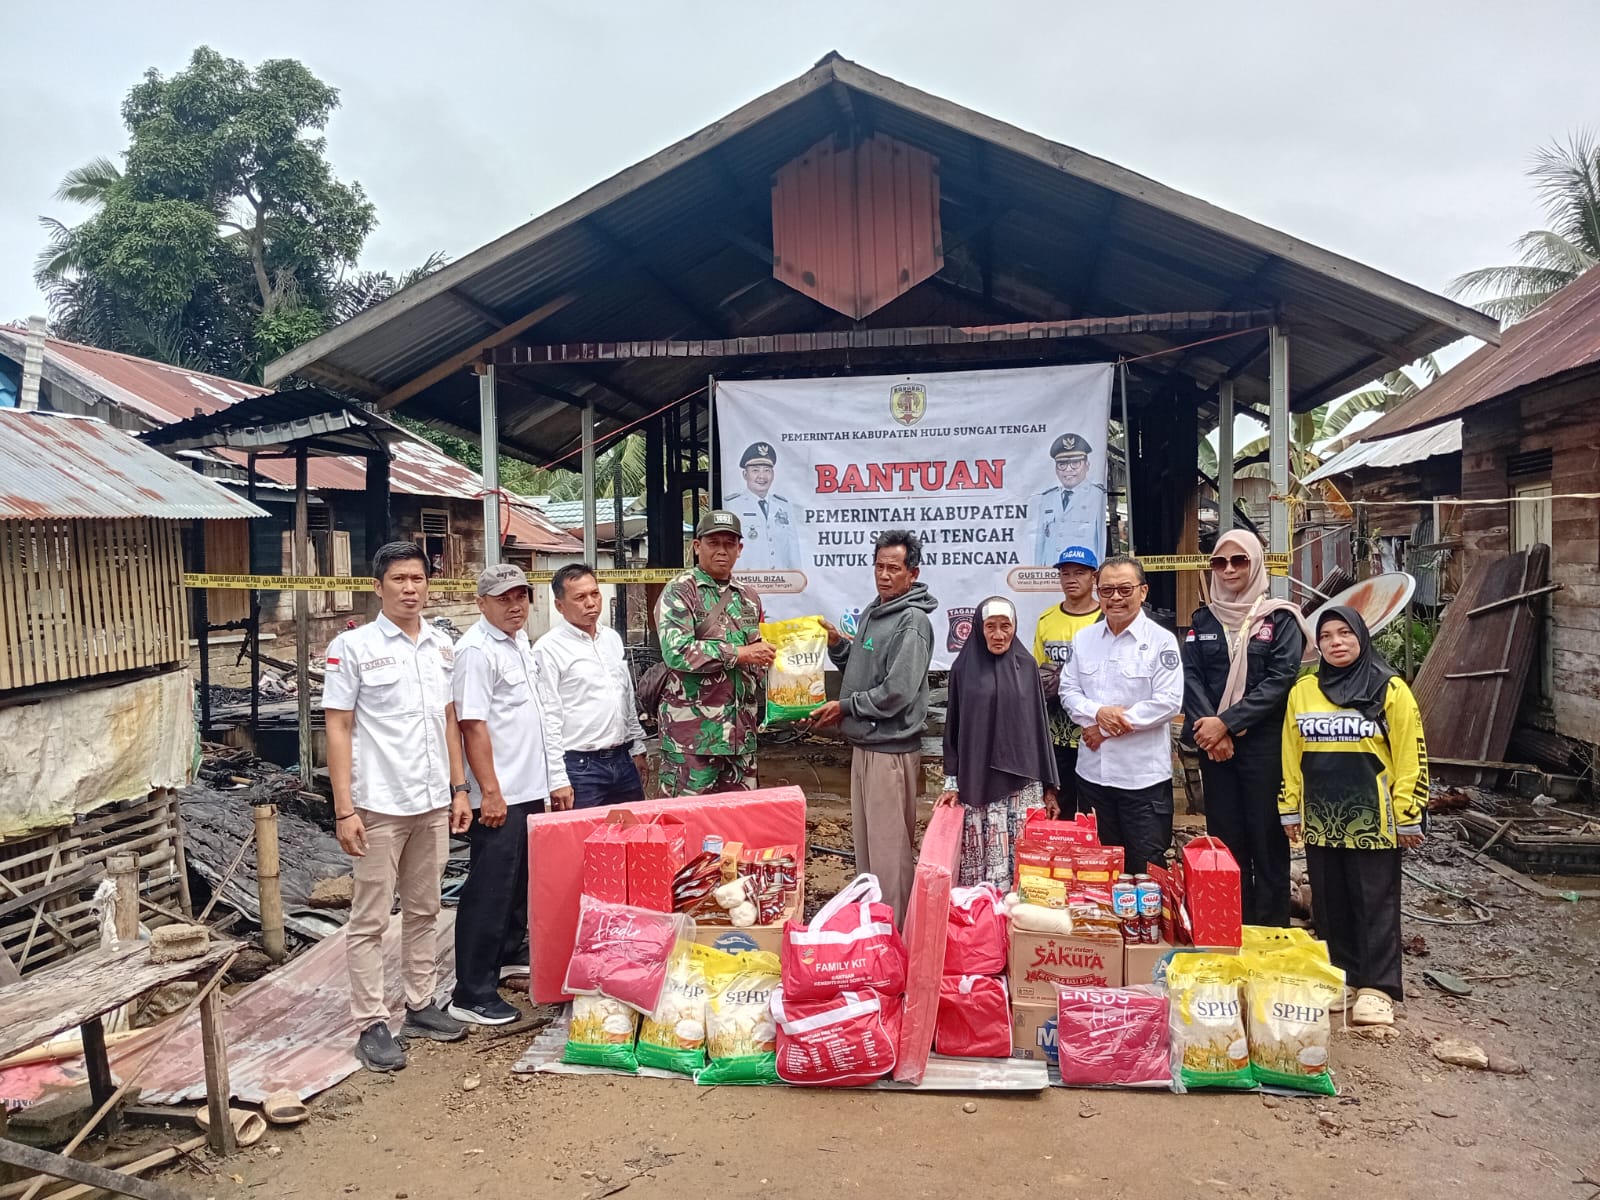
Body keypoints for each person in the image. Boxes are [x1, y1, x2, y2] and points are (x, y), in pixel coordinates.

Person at [324, 542, 471, 1072]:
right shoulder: (353, 647)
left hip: (433, 803)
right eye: (399, 579)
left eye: (417, 578)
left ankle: (420, 1003)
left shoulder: (440, 645)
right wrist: (344, 809)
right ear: (378, 586)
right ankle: (370, 1022)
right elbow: (337, 727)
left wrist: (459, 789)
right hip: (378, 805)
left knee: (425, 909)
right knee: (368, 919)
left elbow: (449, 722)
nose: (410, 588)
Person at [1281, 606, 1427, 1028]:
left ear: (1361, 637)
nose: (1336, 642)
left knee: (1374, 903)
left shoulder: (1391, 689)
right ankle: (1342, 977)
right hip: (1322, 818)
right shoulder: (1303, 692)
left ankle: (1377, 988)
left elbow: (1411, 753)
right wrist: (1289, 807)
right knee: (1330, 901)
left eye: (1344, 633)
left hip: (1374, 819)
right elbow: (1291, 756)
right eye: (1326, 636)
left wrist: (1408, 813)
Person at [446, 564, 567, 1026]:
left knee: (518, 884)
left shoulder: (519, 643)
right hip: (499, 794)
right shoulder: (476, 651)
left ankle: (508, 956)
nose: (515, 605)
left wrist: (551, 780)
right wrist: (489, 793)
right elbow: (471, 725)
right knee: (489, 890)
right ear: (481, 603)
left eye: (521, 596)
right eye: (504, 598)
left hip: (528, 786)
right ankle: (471, 991)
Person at [1182, 531, 1312, 927]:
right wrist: (1212, 732)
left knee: (1267, 837)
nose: (1230, 569)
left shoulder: (1281, 618)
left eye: (1239, 560)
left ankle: (1271, 928)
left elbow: (1279, 680)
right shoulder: (1203, 619)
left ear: (1256, 563)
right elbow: (1190, 677)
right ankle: (1231, 924)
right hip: (1215, 748)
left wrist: (1227, 723)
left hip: (1263, 746)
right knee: (1225, 837)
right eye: (1220, 563)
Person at [809, 530, 937, 922]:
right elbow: (862, 671)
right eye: (879, 567)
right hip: (865, 745)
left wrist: (845, 707)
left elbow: (897, 691)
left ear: (912, 573)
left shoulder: (912, 622)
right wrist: (836, 644)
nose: (884, 575)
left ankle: (896, 935)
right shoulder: (873, 611)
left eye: (894, 568)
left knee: (889, 852)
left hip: (891, 752)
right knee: (866, 851)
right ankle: (874, 928)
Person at [1059, 555, 1183, 875]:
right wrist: (1098, 713)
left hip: (1142, 782)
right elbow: (1068, 692)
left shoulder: (1161, 641)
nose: (1116, 597)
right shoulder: (1084, 639)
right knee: (1098, 868)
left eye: (1125, 589)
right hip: (1092, 778)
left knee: (1146, 869)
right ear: (1097, 593)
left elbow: (1168, 702)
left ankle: (1147, 927)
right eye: (1107, 590)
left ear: (1143, 592)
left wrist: (1105, 729)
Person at [937, 596, 1060, 890]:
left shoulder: (1027, 666)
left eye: (1006, 626)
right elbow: (953, 726)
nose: (999, 634)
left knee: (1021, 868)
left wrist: (1049, 786)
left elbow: (1039, 729)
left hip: (1022, 785)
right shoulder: (963, 669)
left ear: (1015, 627)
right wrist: (951, 782)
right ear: (979, 628)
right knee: (981, 866)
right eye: (990, 626)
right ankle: (981, 922)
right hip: (977, 781)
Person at [656, 510, 772, 796]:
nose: (722, 550)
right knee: (686, 825)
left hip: (739, 741)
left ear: (739, 549)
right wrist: (740, 654)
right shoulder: (681, 591)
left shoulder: (749, 597)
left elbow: (759, 654)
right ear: (697, 546)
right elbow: (677, 651)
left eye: (729, 544)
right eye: (713, 543)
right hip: (692, 741)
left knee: (737, 827)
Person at [534, 563, 649, 808]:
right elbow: (548, 718)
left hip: (622, 760)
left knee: (633, 836)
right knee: (583, 841)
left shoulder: (611, 639)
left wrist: (637, 746)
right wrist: (557, 779)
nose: (591, 603)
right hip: (580, 768)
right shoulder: (548, 649)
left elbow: (625, 696)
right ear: (560, 606)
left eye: (595, 594)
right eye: (580, 597)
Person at [1031, 545, 1102, 816]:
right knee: (1059, 803)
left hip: (1092, 730)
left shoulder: (1103, 620)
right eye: (1065, 573)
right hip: (1056, 729)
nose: (1071, 579)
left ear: (1093, 577)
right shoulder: (1047, 618)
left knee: (1092, 808)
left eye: (1079, 573)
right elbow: (1038, 670)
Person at [1028, 432, 1105, 564]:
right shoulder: (1047, 498)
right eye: (1062, 464)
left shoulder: (1097, 497)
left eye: (1075, 463)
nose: (1068, 469)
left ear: (1087, 465)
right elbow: (1040, 544)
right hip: (1050, 576)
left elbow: (1101, 542)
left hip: (1081, 574)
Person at [725, 441, 801, 570]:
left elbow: (792, 550)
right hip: (746, 583)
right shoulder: (732, 506)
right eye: (755, 470)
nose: (762, 476)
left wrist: (798, 580)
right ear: (745, 474)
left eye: (767, 470)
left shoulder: (783, 506)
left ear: (773, 474)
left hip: (782, 585)